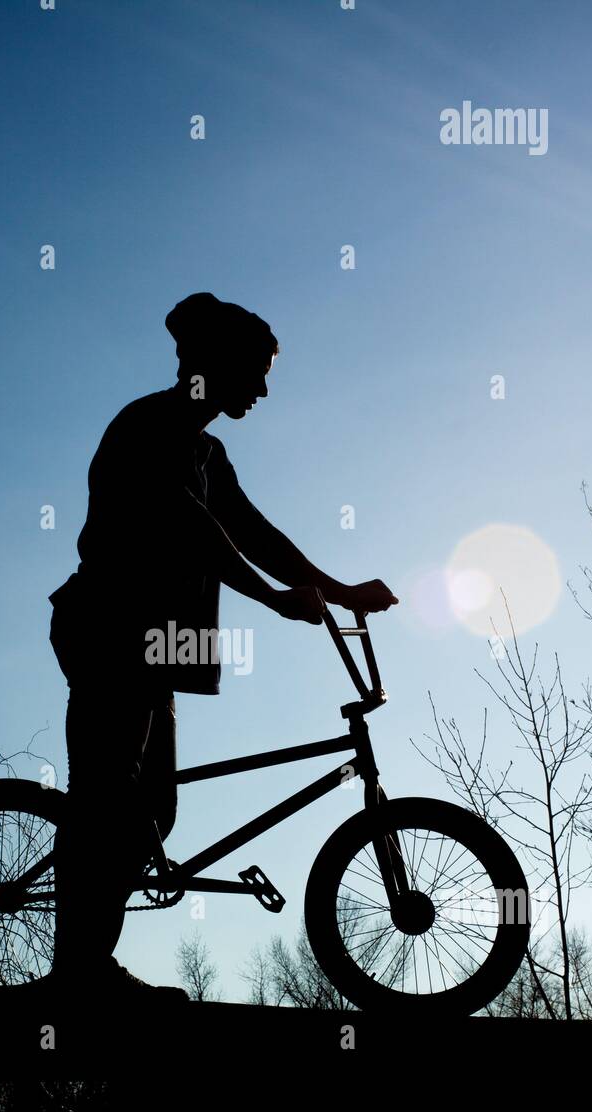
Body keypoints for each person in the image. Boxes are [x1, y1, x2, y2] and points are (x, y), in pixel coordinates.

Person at [49, 292, 397, 1003]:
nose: (264, 389)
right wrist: (271, 600)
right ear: (217, 365)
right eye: (256, 372)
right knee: (110, 798)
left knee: (153, 813)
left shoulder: (208, 449)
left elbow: (258, 534)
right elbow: (196, 528)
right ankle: (80, 973)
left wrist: (340, 592)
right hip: (110, 627)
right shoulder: (152, 425)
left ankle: (87, 964)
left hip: (154, 644)